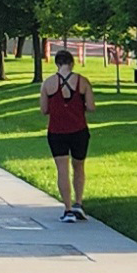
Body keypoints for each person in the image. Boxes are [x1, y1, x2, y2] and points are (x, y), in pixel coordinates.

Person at [40, 49, 95, 222]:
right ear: (72, 63)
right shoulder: (83, 82)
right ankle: (79, 203)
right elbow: (92, 107)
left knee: (62, 169)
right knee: (79, 166)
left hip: (56, 131)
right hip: (79, 130)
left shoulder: (47, 84)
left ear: (56, 63)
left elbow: (44, 110)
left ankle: (68, 209)